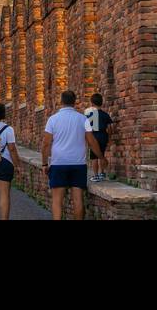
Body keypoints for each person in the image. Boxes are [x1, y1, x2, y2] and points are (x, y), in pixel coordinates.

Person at [42, 89, 92, 220]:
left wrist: (44, 164)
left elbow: (46, 144)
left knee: (57, 201)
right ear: (74, 102)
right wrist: (102, 157)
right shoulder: (83, 119)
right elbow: (91, 140)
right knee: (78, 200)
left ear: (61, 101)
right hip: (78, 164)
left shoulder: (52, 120)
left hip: (58, 163)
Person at [84, 93, 113, 182]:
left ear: (92, 103)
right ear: (102, 103)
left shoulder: (90, 114)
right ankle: (102, 173)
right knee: (102, 154)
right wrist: (110, 137)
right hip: (103, 135)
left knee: (94, 157)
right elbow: (110, 128)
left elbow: (87, 127)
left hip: (93, 136)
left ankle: (95, 175)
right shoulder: (105, 114)